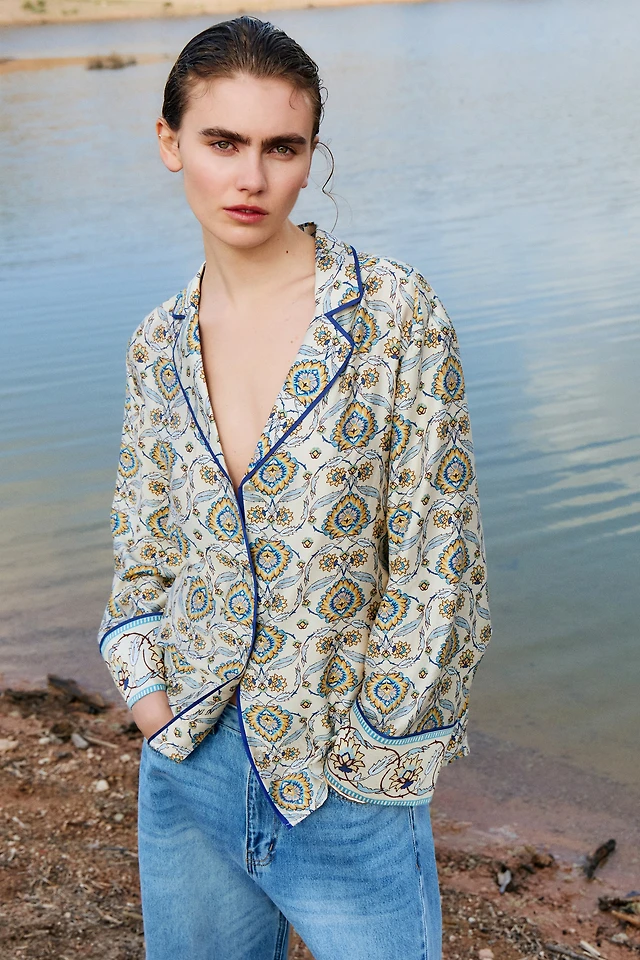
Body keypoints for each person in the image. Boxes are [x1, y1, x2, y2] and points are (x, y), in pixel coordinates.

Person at [97, 16, 491, 960]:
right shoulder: (158, 343)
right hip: (189, 764)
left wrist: (373, 751)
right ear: (170, 143)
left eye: (282, 147)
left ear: (311, 156)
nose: (251, 177)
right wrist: (152, 703)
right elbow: (144, 548)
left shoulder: (393, 315)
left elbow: (442, 564)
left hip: (345, 785)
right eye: (222, 142)